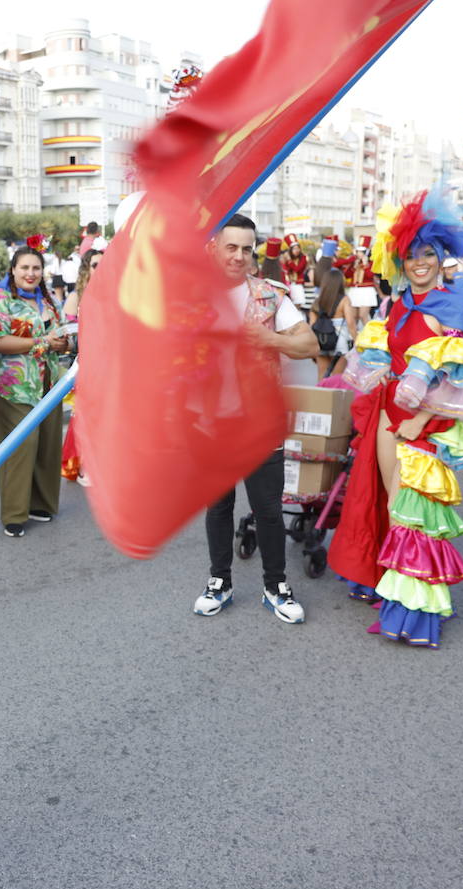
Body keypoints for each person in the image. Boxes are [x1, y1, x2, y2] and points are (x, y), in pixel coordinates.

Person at [332, 189, 463, 648]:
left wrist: (420, 418)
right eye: (410, 256)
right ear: (399, 262)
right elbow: (386, 360)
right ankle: (392, 587)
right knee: (389, 503)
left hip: (426, 421)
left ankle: (415, 610)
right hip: (391, 413)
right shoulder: (398, 304)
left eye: (427, 254)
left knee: (415, 511)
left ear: (441, 256)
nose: (419, 263)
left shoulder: (450, 307)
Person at [193, 214, 319, 625]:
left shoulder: (270, 296)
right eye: (231, 247)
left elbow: (309, 343)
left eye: (247, 249)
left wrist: (270, 339)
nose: (239, 256)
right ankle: (219, 582)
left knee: (267, 508)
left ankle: (275, 586)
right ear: (214, 248)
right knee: (218, 506)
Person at [0, 241, 71, 537]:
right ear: (13, 270)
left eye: (36, 268)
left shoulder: (48, 301)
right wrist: (42, 342)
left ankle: (42, 504)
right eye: (25, 268)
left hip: (48, 382)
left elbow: (61, 336)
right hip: (13, 386)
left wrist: (63, 342)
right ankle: (14, 515)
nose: (31, 273)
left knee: (48, 443)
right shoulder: (0, 300)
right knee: (20, 446)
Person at [60, 247, 103, 484]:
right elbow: (68, 328)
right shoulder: (77, 296)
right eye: (96, 265)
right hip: (87, 364)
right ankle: (83, 465)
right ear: (87, 268)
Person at [308, 266, 348, 379]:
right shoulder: (344, 300)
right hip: (340, 342)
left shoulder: (317, 302)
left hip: (321, 342)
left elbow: (312, 326)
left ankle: (321, 396)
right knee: (337, 378)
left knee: (321, 375)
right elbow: (351, 323)